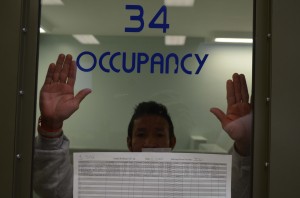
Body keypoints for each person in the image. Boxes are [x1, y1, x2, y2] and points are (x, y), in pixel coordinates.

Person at [33, 54, 252, 198]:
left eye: (159, 134)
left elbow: (236, 193)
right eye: (141, 134)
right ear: (129, 142)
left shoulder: (192, 183)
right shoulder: (106, 182)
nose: (150, 142)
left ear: (172, 142)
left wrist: (244, 145)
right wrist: (51, 126)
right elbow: (54, 190)